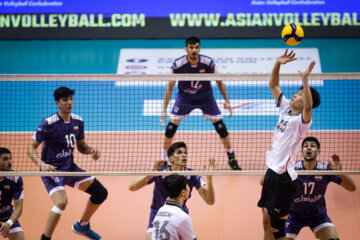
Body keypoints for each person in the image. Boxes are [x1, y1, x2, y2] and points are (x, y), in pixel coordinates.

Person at [27, 87, 108, 240]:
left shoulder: (78, 121)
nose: (69, 102)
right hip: (52, 170)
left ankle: (82, 226)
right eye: (65, 100)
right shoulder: (48, 123)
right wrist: (42, 164)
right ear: (57, 103)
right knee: (62, 202)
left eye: (71, 99)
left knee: (101, 193)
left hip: (70, 168)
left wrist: (92, 151)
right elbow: (30, 148)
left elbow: (82, 147)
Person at [257, 49, 321, 240]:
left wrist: (305, 80)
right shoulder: (285, 108)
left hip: (284, 178)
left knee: (278, 230)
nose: (296, 94)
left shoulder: (303, 121)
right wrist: (278, 63)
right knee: (266, 222)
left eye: (301, 93)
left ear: (305, 100)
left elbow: (308, 106)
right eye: (298, 91)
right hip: (271, 172)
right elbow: (273, 84)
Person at [160, 36, 241, 170]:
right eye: (191, 47)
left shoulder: (208, 63)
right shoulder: (178, 65)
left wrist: (227, 100)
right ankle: (163, 160)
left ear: (200, 48)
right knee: (170, 130)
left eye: (196, 47)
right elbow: (170, 87)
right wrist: (164, 109)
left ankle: (232, 158)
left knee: (221, 128)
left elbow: (219, 82)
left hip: (205, 97)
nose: (194, 50)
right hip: (185, 98)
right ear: (186, 48)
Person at [128, 141, 215, 240]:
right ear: (171, 159)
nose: (184, 155)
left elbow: (210, 201)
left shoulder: (192, 175)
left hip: (179, 214)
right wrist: (150, 174)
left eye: (185, 153)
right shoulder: (161, 173)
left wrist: (209, 179)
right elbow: (131, 187)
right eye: (179, 152)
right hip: (157, 214)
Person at [285, 136, 356, 240]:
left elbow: (352, 188)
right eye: (306, 146)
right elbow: (271, 185)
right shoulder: (293, 169)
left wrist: (341, 173)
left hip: (318, 216)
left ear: (318, 151)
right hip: (293, 216)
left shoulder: (324, 170)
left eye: (312, 146)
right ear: (302, 151)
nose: (309, 148)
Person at [152, 174, 197, 240]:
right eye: (187, 185)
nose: (189, 188)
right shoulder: (182, 217)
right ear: (183, 192)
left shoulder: (161, 210)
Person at [0, 148, 24, 240]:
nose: (9, 162)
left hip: (6, 215)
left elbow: (19, 208)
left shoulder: (15, 178)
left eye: (10, 158)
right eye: (5, 159)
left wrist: (9, 223)